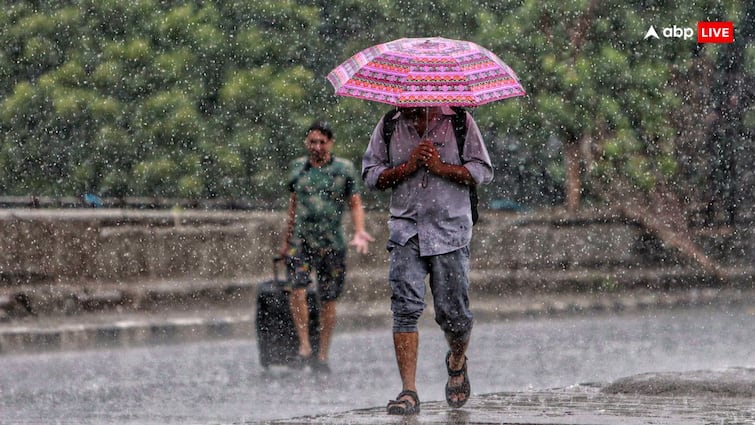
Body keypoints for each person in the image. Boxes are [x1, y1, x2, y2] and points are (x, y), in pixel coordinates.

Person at [362, 106, 493, 414]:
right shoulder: (389, 124)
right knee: (404, 309)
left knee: (455, 316)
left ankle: (456, 361)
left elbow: (481, 171)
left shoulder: (459, 121)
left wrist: (440, 167)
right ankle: (409, 391)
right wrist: (405, 169)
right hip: (406, 230)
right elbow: (370, 175)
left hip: (450, 231)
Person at [280, 121, 374, 374]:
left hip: (332, 243)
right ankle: (304, 347)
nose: (317, 147)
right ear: (306, 143)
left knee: (328, 299)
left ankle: (322, 353)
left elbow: (355, 203)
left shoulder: (343, 169)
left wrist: (359, 231)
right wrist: (286, 240)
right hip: (301, 241)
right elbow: (293, 204)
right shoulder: (297, 168)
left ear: (330, 143)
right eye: (313, 142)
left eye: (322, 142)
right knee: (297, 289)